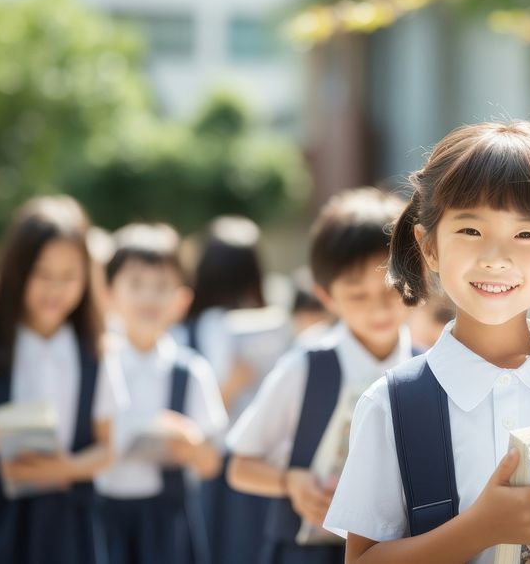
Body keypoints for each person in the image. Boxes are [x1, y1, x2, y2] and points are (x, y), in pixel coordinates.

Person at [324, 122, 530, 564]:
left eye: (526, 234)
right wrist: (482, 528)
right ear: (428, 246)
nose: (496, 258)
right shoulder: (392, 404)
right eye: (470, 230)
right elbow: (361, 559)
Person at [0, 195, 127, 564]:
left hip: (71, 527)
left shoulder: (97, 356)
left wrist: (65, 468)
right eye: (43, 274)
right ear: (16, 273)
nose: (56, 289)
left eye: (70, 276)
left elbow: (108, 449)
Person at [227, 187, 413, 564]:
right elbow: (239, 467)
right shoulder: (306, 367)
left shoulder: (429, 366)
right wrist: (289, 482)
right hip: (307, 548)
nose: (378, 308)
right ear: (326, 296)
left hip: (398, 550)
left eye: (390, 290)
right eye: (357, 295)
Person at [95, 223, 228, 564]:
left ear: (181, 300)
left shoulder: (191, 371)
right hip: (99, 515)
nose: (148, 297)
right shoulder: (94, 366)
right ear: (108, 295)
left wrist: (191, 445)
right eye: (136, 285)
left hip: (166, 520)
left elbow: (212, 461)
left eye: (161, 286)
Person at [178, 215, 296, 564]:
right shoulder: (209, 325)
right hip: (232, 457)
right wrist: (235, 381)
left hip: (236, 457)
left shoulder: (197, 326)